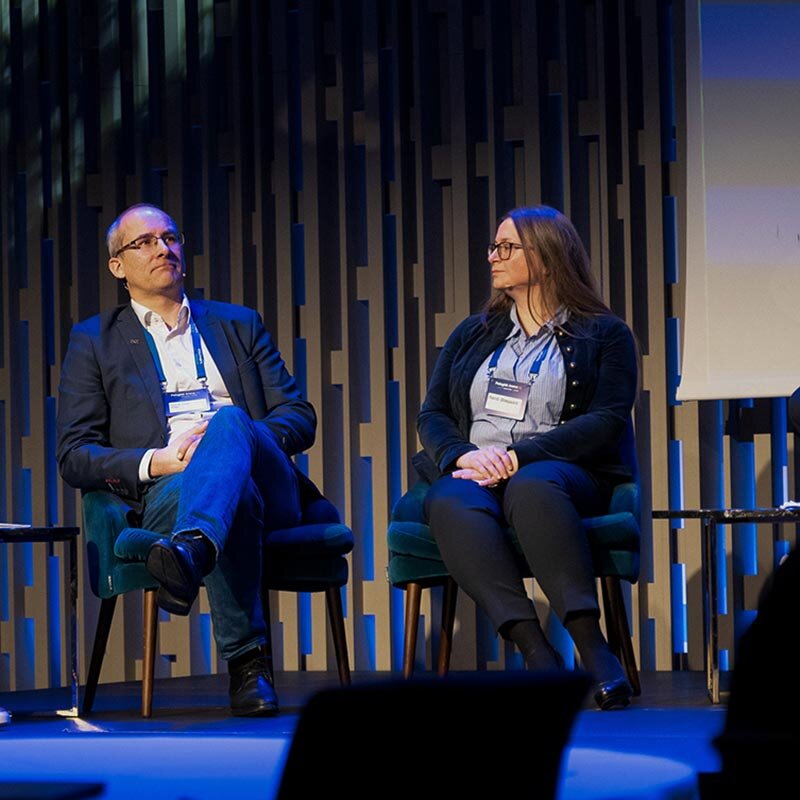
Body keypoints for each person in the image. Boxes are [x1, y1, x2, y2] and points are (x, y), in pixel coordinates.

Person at [56, 203, 317, 717]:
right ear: (117, 266)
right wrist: (159, 460)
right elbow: (75, 454)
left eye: (170, 237)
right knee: (232, 496)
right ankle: (248, 666)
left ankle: (192, 550)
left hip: (266, 477)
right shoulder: (94, 341)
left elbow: (298, 415)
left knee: (229, 422)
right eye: (145, 242)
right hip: (168, 487)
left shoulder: (238, 324)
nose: (163, 248)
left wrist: (233, 440)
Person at [412, 204, 638, 710]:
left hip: (561, 470)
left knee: (533, 486)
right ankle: (537, 656)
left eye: (507, 247)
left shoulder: (604, 334)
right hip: (476, 469)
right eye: (493, 247)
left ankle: (593, 648)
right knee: (448, 500)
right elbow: (433, 413)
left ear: (548, 256)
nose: (493, 256)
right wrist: (462, 457)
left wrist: (519, 457)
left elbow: (606, 420)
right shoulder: (473, 333)